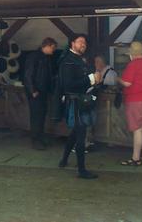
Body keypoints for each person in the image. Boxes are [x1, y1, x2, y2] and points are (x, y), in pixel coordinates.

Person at [58, 34, 102, 179]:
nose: (83, 44)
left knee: (76, 132)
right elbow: (69, 85)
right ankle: (81, 170)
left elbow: (84, 81)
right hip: (75, 102)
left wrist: (95, 81)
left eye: (84, 42)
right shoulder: (68, 61)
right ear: (72, 43)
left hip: (82, 100)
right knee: (81, 134)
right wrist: (91, 78)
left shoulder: (79, 60)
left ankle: (64, 160)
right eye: (80, 42)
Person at [23, 37, 57, 150]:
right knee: (36, 116)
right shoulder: (34, 57)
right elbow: (28, 75)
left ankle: (40, 138)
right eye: (53, 48)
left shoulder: (46, 58)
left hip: (43, 91)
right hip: (36, 92)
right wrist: (32, 90)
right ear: (47, 46)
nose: (53, 50)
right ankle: (35, 140)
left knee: (41, 116)